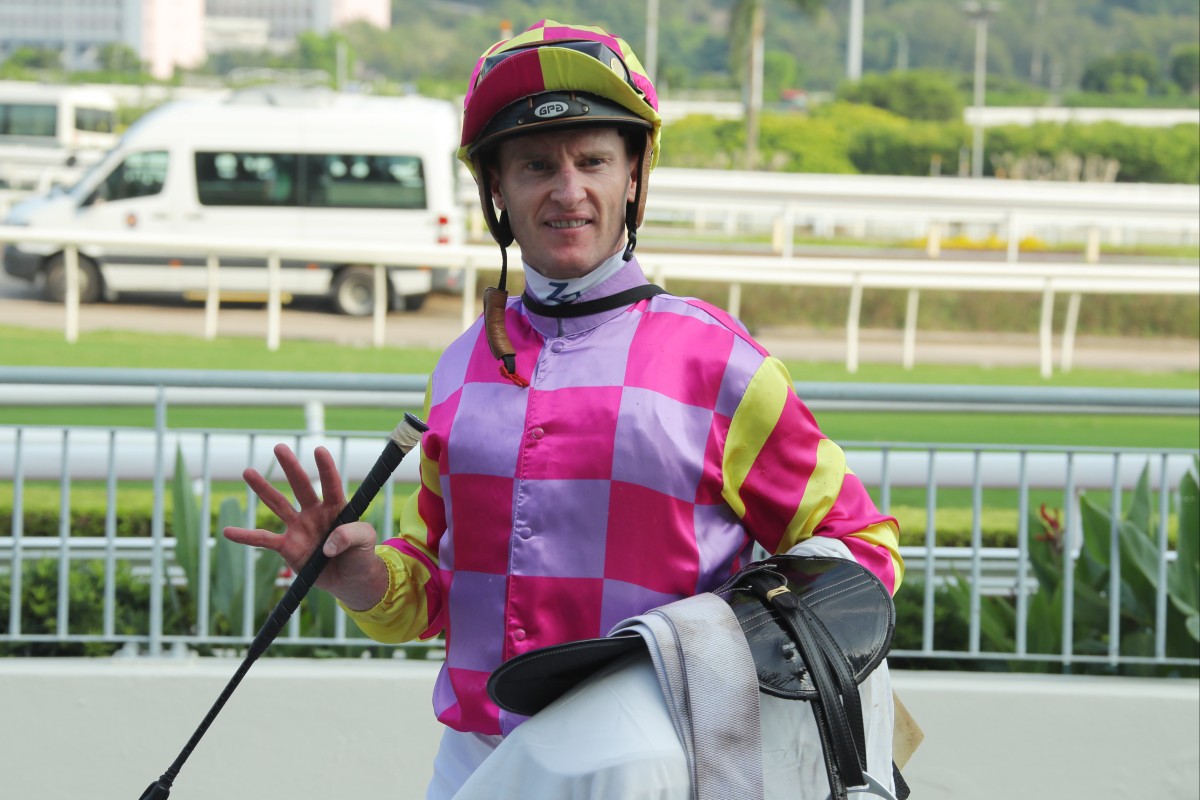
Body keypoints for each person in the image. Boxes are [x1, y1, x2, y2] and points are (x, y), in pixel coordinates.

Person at [224, 19, 904, 799]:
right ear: (497, 193)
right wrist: (356, 575)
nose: (568, 190)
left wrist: (706, 653)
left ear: (634, 177)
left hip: (657, 765)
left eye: (594, 161)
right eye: (536, 165)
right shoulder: (459, 369)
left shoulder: (718, 360)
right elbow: (434, 594)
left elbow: (864, 551)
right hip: (479, 763)